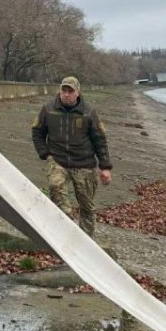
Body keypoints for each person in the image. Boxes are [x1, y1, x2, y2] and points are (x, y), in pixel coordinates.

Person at [32, 76, 112, 237]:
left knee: (87, 205)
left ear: (78, 93)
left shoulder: (89, 112)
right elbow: (37, 132)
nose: (66, 94)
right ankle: (66, 227)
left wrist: (105, 167)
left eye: (70, 91)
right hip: (58, 160)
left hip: (84, 163)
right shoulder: (48, 109)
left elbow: (100, 139)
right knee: (55, 186)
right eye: (64, 90)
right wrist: (45, 153)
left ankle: (86, 239)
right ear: (59, 91)